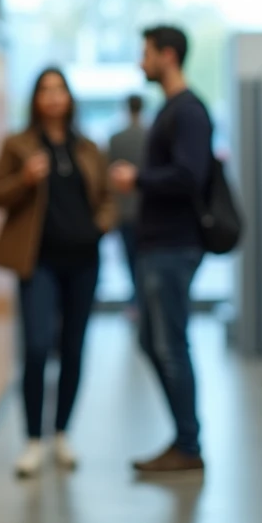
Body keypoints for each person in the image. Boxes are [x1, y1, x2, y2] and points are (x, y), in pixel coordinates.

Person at [0, 68, 116, 477]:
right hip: (38, 261)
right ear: (36, 99)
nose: (54, 96)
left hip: (84, 260)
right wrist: (24, 180)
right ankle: (32, 440)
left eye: (60, 89)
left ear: (70, 98)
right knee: (37, 347)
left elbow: (107, 197)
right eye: (45, 89)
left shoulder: (89, 147)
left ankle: (62, 432)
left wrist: (102, 224)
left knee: (74, 348)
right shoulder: (18, 144)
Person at [110, 25, 213, 474]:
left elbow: (191, 175)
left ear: (167, 56)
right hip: (159, 245)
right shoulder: (171, 109)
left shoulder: (188, 111)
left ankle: (188, 445)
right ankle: (184, 438)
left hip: (173, 245)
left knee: (170, 345)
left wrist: (138, 180)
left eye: (146, 52)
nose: (141, 62)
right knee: (154, 341)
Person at [109, 94, 147, 317]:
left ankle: (136, 299)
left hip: (123, 210)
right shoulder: (149, 135)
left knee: (131, 258)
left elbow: (110, 176)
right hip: (144, 209)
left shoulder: (116, 139)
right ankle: (139, 299)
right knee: (143, 258)